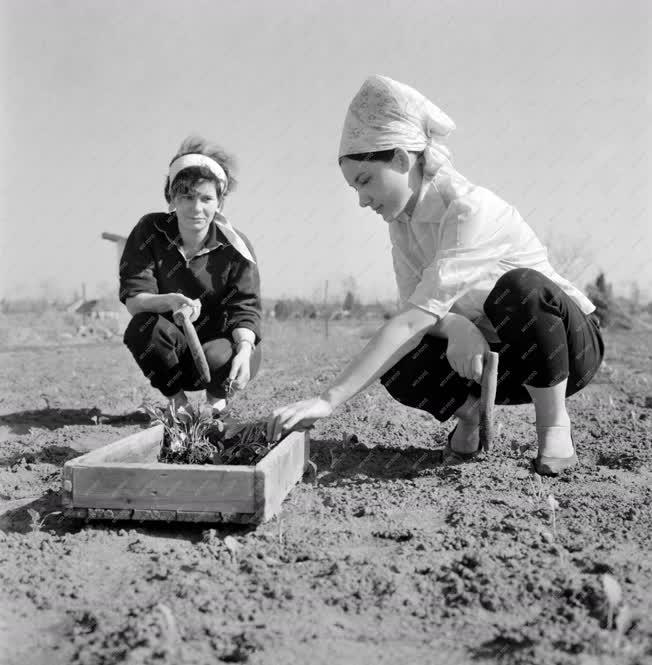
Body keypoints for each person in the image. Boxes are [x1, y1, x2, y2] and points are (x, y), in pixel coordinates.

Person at [266, 75, 604, 475]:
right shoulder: (402, 227)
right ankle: (472, 414)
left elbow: (414, 319)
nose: (361, 200)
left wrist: (327, 400)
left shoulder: (470, 210)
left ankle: (553, 423)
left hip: (562, 350)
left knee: (519, 288)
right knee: (398, 357)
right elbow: (416, 312)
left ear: (402, 160)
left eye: (365, 181)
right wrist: (458, 326)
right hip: (494, 364)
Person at [119, 135, 262, 415]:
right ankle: (178, 403)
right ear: (171, 198)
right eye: (186, 197)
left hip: (219, 353)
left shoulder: (236, 248)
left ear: (219, 203)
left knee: (223, 353)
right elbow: (135, 301)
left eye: (206, 198)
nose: (196, 209)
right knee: (143, 328)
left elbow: (245, 308)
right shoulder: (150, 231)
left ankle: (216, 403)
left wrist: (245, 349)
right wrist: (169, 301)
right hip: (172, 354)